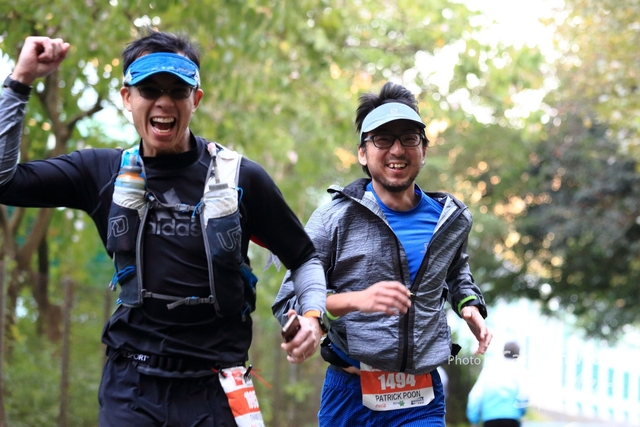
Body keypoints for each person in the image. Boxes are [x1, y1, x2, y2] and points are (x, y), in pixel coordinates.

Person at [0, 31, 325, 426]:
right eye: (150, 89)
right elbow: (5, 181)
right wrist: (21, 79)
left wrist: (312, 317)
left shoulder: (241, 178)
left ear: (196, 99)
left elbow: (304, 258)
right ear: (127, 98)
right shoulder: (100, 172)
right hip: (132, 388)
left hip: (218, 387)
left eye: (178, 90)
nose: (164, 102)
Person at [273, 81, 492, 426]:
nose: (397, 150)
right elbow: (291, 298)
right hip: (350, 393)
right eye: (383, 139)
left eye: (409, 138)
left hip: (420, 397)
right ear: (363, 152)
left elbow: (455, 273)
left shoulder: (450, 219)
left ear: (423, 149)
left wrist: (470, 307)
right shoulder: (333, 219)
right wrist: (356, 301)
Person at [466, 341, 529, 427]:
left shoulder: (489, 369)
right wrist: (521, 412)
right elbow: (524, 395)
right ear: (518, 354)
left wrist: (474, 420)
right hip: (512, 419)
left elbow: (475, 395)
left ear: (504, 352)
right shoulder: (520, 371)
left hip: (490, 420)